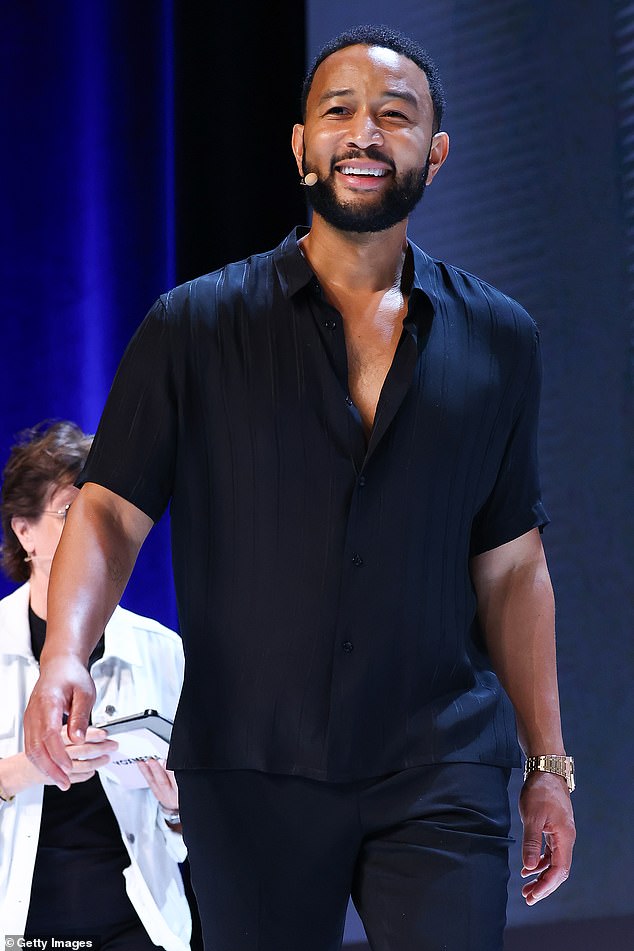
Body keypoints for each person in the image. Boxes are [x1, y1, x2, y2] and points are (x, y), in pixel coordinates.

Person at [23, 25, 575, 951]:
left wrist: (549, 763)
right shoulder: (193, 325)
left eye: (395, 118)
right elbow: (112, 509)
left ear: (434, 156)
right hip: (249, 766)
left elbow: (512, 561)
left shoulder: (500, 338)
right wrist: (63, 655)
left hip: (440, 759)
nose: (365, 133)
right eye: (340, 112)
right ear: (299, 143)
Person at [0, 421, 191, 950]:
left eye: (100, 517)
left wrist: (178, 810)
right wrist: (30, 767)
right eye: (69, 513)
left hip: (139, 924)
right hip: (20, 928)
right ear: (25, 532)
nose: (91, 533)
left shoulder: (161, 648)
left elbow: (198, 833)